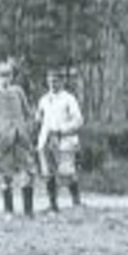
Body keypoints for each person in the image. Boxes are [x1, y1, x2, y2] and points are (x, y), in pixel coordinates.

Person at [0, 61, 36, 217]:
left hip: (22, 139)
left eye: (8, 75)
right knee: (6, 176)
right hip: (3, 142)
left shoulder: (18, 92)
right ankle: (8, 211)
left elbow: (28, 114)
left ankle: (28, 212)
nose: (5, 79)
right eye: (2, 76)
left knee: (27, 174)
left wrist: (27, 129)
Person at [36, 68, 85, 211]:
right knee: (48, 173)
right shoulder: (44, 99)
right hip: (46, 140)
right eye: (50, 81)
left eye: (56, 81)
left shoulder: (69, 99)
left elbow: (79, 120)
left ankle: (76, 201)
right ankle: (52, 204)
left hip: (64, 139)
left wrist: (62, 129)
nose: (53, 84)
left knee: (67, 172)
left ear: (62, 82)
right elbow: (39, 118)